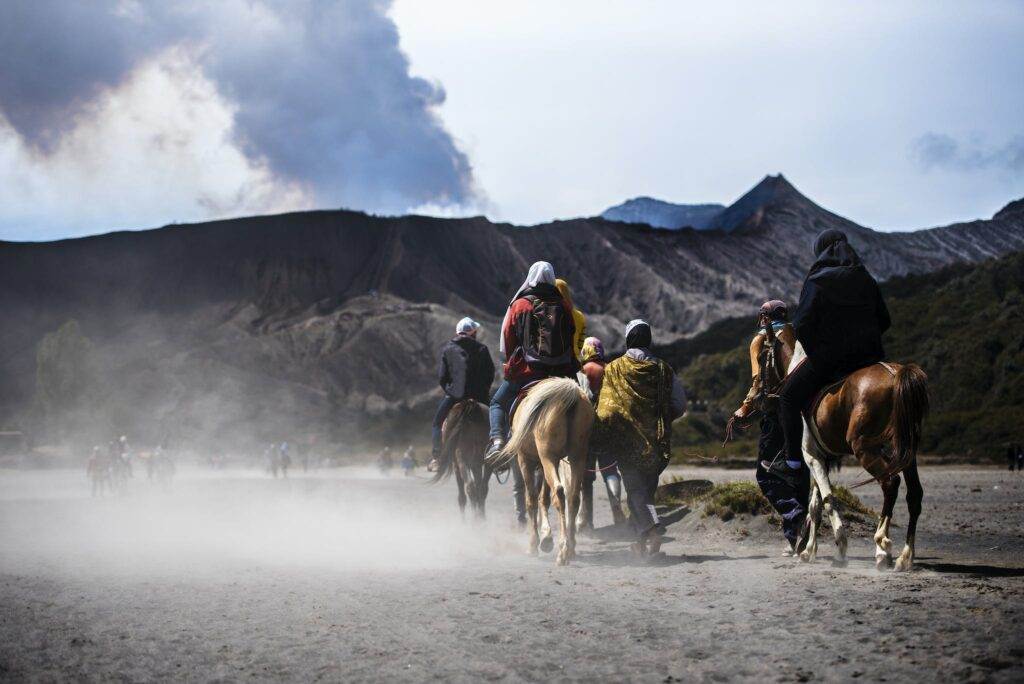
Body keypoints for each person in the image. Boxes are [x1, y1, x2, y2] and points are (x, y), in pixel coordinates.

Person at [779, 229, 891, 473]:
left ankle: (792, 462)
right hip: (868, 358)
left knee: (787, 397)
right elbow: (885, 319)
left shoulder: (818, 278)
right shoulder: (865, 277)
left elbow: (802, 324)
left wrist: (819, 352)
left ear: (821, 251)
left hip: (830, 361)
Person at [593, 320, 686, 557]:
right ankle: (642, 545)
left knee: (635, 492)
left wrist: (604, 433)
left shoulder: (614, 369)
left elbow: (606, 410)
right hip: (656, 442)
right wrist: (662, 418)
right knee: (647, 492)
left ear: (628, 339)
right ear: (648, 339)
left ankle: (653, 532)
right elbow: (679, 405)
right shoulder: (665, 369)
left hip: (626, 443)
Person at [730, 300, 810, 554]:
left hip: (776, 416)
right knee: (799, 473)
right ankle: (798, 539)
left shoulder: (761, 339)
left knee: (766, 475)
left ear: (764, 317)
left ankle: (795, 516)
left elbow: (758, 382)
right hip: (803, 414)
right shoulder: (797, 335)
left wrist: (744, 409)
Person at [485, 261, 578, 461]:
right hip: (562, 371)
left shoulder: (520, 304)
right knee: (582, 402)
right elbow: (571, 335)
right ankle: (591, 442)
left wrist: (511, 362)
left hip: (528, 371)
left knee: (497, 403)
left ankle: (498, 443)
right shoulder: (563, 304)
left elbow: (509, 339)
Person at [431, 317, 495, 470]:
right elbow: (490, 374)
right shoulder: (482, 349)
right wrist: (483, 391)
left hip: (454, 397)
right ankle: (497, 452)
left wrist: (452, 392)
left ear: (457, 333)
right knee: (498, 418)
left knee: (437, 423)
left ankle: (437, 457)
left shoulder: (448, 349)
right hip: (479, 396)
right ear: (473, 333)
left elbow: (442, 378)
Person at [578, 337, 625, 530]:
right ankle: (617, 511)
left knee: (585, 478)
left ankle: (586, 521)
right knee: (610, 472)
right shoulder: (610, 369)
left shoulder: (580, 372)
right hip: (607, 429)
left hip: (585, 432)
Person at [555, 278, 587, 362]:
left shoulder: (552, 315)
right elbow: (581, 343)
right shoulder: (580, 316)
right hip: (575, 360)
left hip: (557, 360)